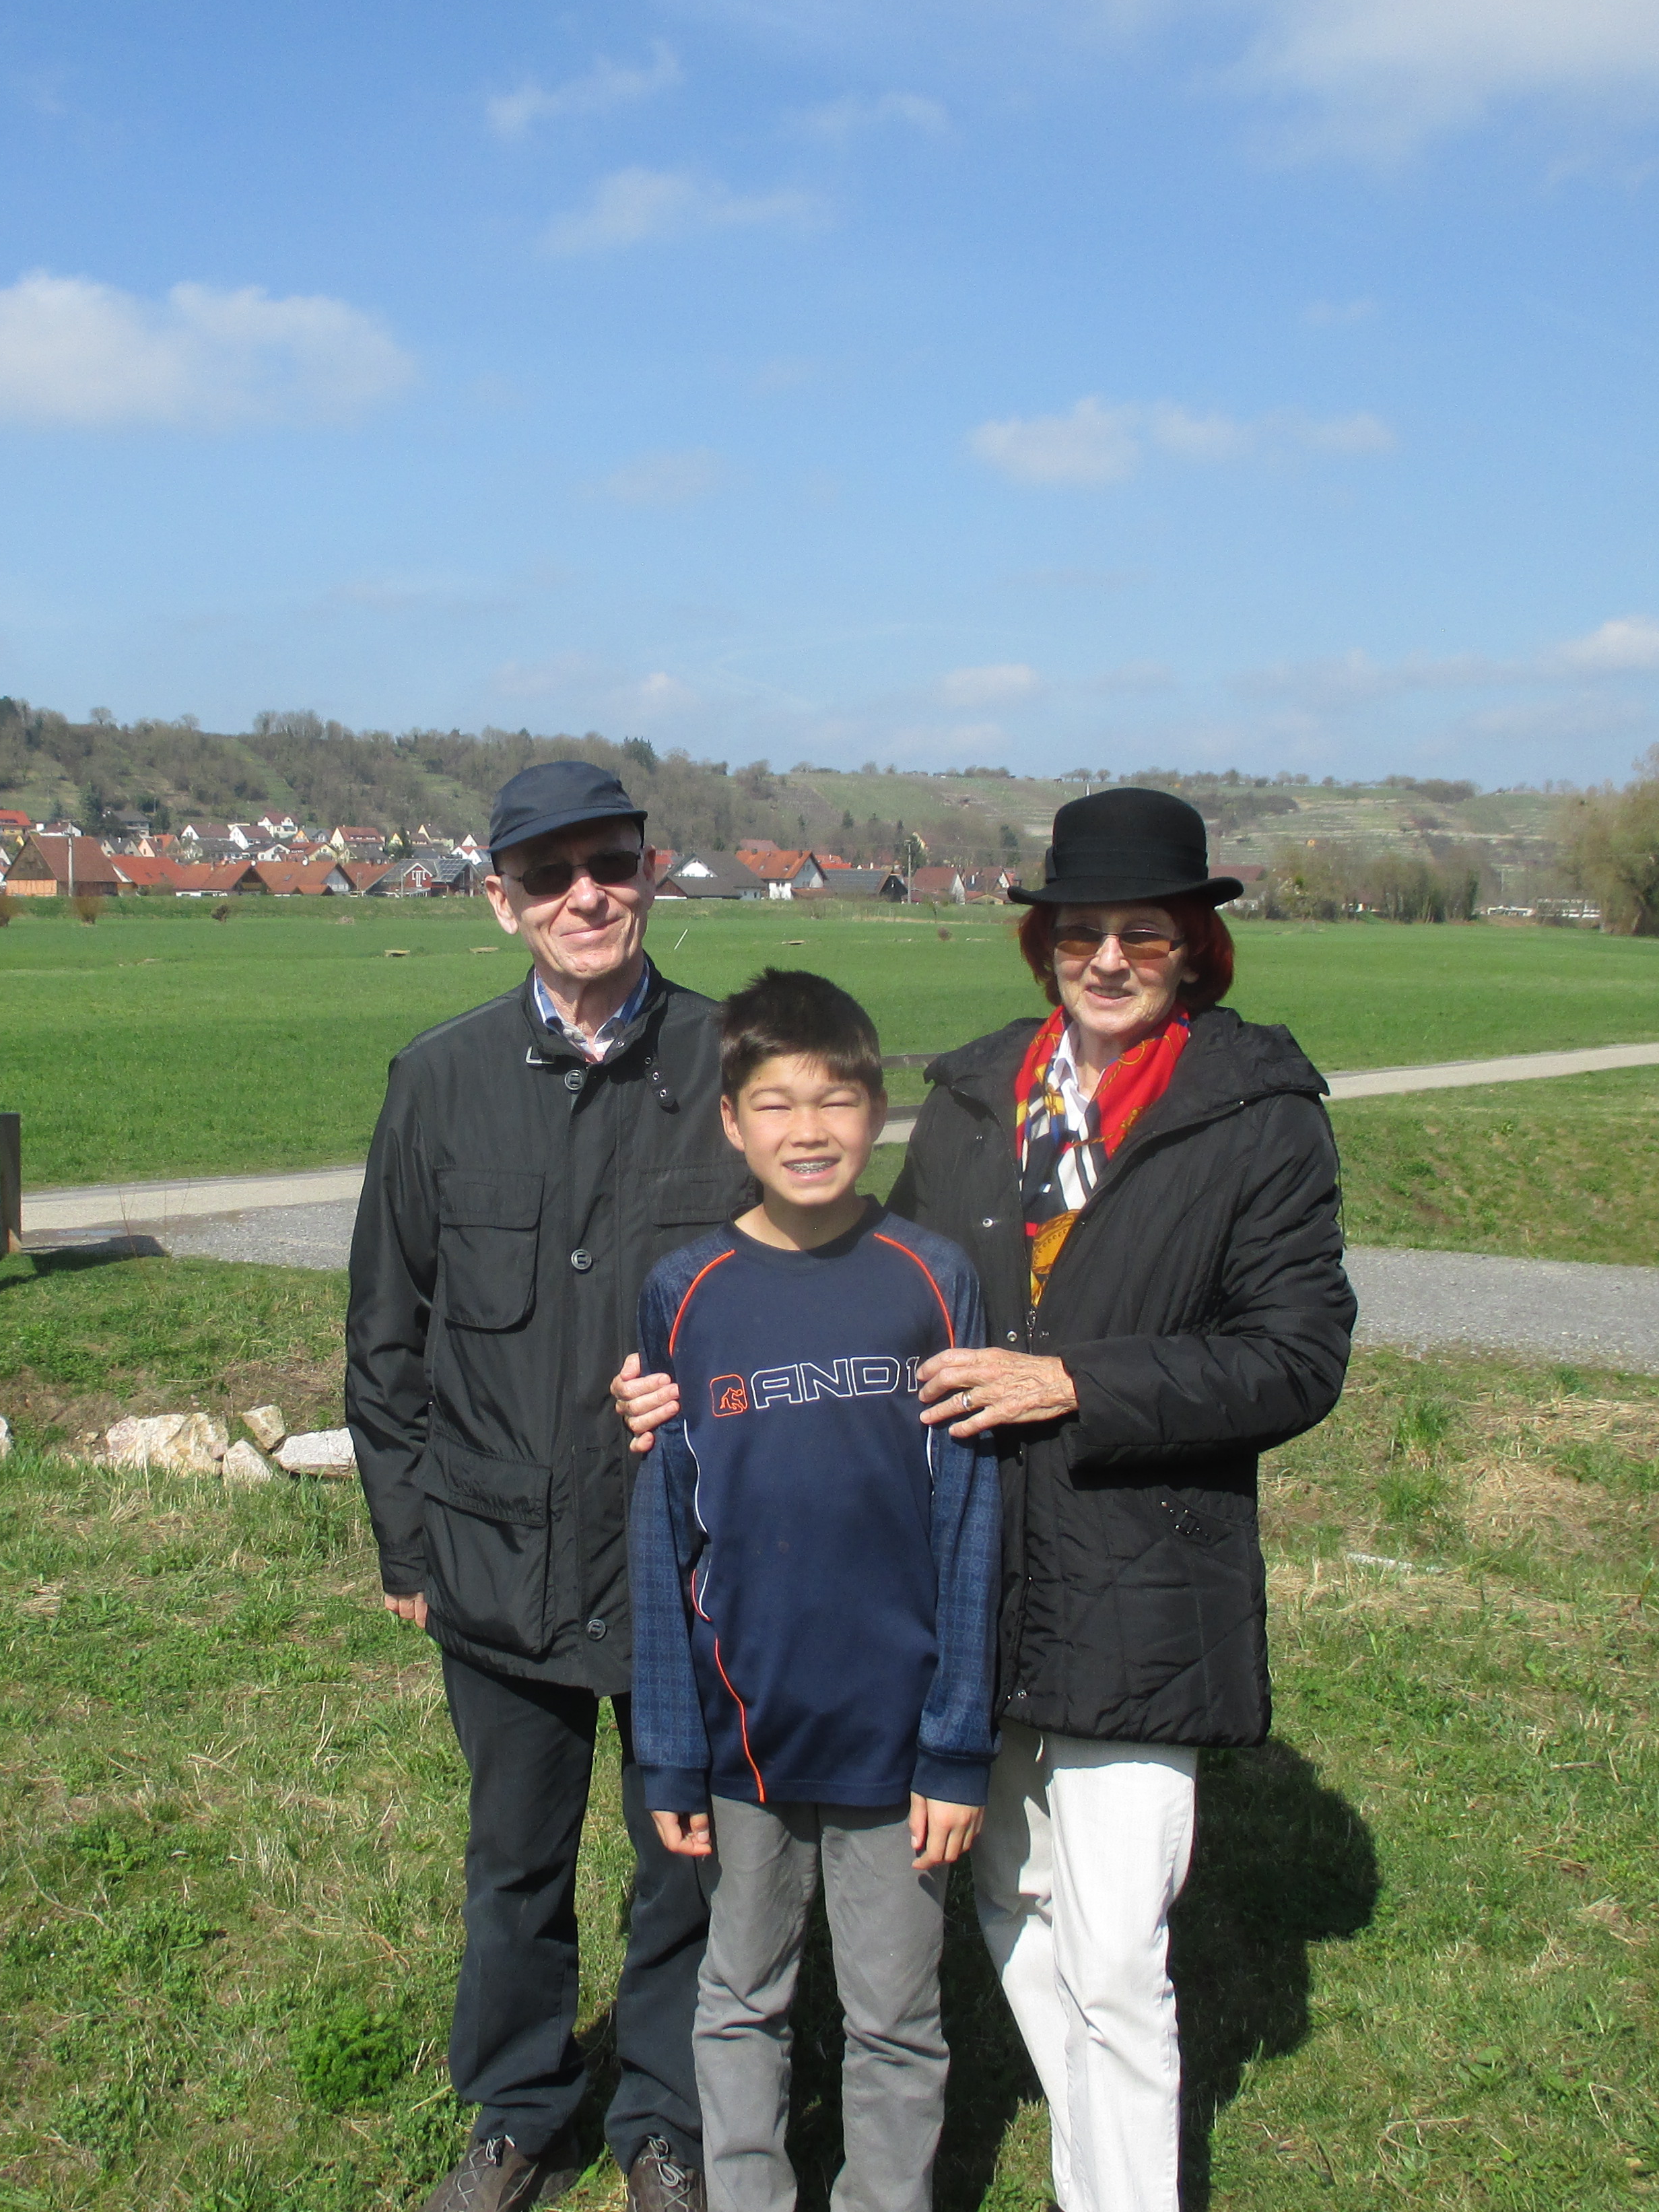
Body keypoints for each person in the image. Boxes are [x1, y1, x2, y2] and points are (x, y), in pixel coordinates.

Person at [612, 786, 1351, 2211]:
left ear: (1195, 946)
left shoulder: (1253, 1114)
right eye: (1082, 933)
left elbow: (1296, 1357)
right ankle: (1089, 2164)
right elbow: (866, 1304)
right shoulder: (978, 1099)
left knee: (1116, 1950)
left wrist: (1071, 1381)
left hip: (1138, 1580)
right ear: (1044, 945)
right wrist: (673, 1383)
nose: (1110, 959)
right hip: (967, 1581)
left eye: (1145, 933)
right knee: (1011, 1908)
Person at [348, 759, 753, 2212]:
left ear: (651, 871)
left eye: (611, 865)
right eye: (549, 875)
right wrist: (410, 1550)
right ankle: (516, 2109)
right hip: (494, 1556)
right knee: (514, 1857)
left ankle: (667, 2122)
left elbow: (814, 1312)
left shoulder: (736, 1068)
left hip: (683, 1561)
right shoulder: (439, 1082)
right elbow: (385, 1340)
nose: (586, 896)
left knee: (685, 1857)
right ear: (500, 900)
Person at [628, 970, 998, 2212]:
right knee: (742, 1996)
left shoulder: (931, 1278)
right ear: (731, 1122)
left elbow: (969, 1521)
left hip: (899, 1740)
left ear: (878, 1112)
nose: (808, 1130)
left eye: (836, 1100)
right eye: (776, 1104)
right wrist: (670, 1754)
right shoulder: (685, 1292)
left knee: (895, 2015)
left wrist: (956, 1748)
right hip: (746, 1733)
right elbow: (662, 1532)